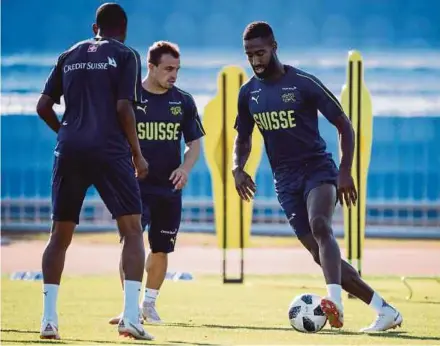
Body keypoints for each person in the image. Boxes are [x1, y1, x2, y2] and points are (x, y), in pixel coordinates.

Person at [232, 21, 403, 332]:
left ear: (274, 47)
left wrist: (345, 170)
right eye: (249, 55)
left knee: (321, 225)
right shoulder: (248, 94)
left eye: (260, 52)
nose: (255, 60)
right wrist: (236, 166)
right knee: (318, 253)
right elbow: (243, 138)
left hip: (317, 169)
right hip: (284, 181)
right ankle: (384, 309)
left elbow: (344, 125)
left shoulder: (303, 83)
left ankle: (334, 302)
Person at [36, 3, 153, 340]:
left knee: (59, 236)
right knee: (132, 230)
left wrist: (64, 133)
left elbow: (43, 106)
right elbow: (123, 108)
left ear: (94, 28)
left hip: (70, 148)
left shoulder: (69, 54)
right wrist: (137, 154)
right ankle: (131, 317)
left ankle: (48, 319)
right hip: (110, 150)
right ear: (124, 28)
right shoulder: (125, 55)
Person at [108, 41, 205, 325]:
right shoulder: (129, 98)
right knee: (131, 243)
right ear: (150, 67)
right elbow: (114, 139)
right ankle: (129, 307)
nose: (173, 75)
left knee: (162, 248)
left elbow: (194, 144)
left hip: (168, 189)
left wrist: (185, 169)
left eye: (177, 69)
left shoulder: (183, 101)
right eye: (168, 69)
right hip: (133, 187)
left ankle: (148, 305)